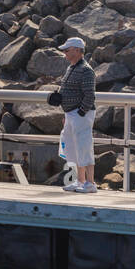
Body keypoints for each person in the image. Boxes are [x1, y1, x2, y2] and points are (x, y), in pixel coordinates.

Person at [53, 37, 97, 193]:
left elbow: (90, 96)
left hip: (80, 114)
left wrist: (80, 113)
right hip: (72, 113)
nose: (64, 52)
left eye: (67, 50)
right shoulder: (72, 68)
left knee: (84, 146)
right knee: (73, 148)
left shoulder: (86, 70)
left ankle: (90, 183)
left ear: (78, 50)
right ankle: (80, 181)